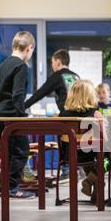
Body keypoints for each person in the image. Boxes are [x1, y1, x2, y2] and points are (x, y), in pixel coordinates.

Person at [0, 31, 36, 198]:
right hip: (12, 116)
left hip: (0, 115)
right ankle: (11, 188)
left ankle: (6, 187)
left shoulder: (4, 64)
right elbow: (18, 95)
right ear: (29, 48)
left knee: (7, 152)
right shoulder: (21, 66)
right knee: (21, 150)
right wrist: (22, 116)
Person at [24, 49, 80, 180]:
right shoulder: (76, 76)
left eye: (52, 62)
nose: (52, 65)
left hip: (67, 116)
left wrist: (23, 106)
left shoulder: (58, 76)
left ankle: (66, 170)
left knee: (63, 139)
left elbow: (40, 93)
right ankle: (75, 168)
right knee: (73, 141)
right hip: (79, 116)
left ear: (58, 62)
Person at [60, 80, 106, 202]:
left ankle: (95, 184)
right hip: (91, 155)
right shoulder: (95, 115)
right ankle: (92, 179)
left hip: (69, 155)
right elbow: (104, 141)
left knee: (88, 153)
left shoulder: (62, 115)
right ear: (91, 96)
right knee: (107, 155)